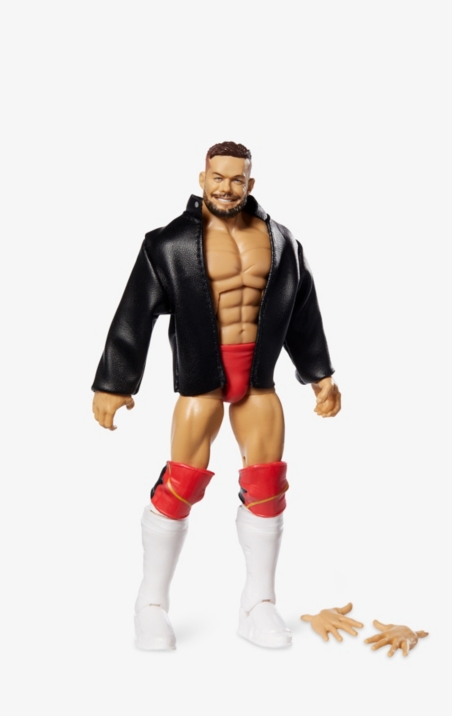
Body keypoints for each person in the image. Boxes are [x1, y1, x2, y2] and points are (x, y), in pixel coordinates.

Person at [92, 141, 341, 650]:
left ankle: (258, 603)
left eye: (237, 179)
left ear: (251, 183)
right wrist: (114, 381)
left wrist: (319, 374)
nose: (227, 187)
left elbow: (303, 311)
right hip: (201, 377)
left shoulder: (282, 241)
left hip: (259, 377)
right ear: (203, 178)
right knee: (180, 482)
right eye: (219, 178)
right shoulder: (168, 243)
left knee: (267, 483)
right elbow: (134, 311)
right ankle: (151, 604)